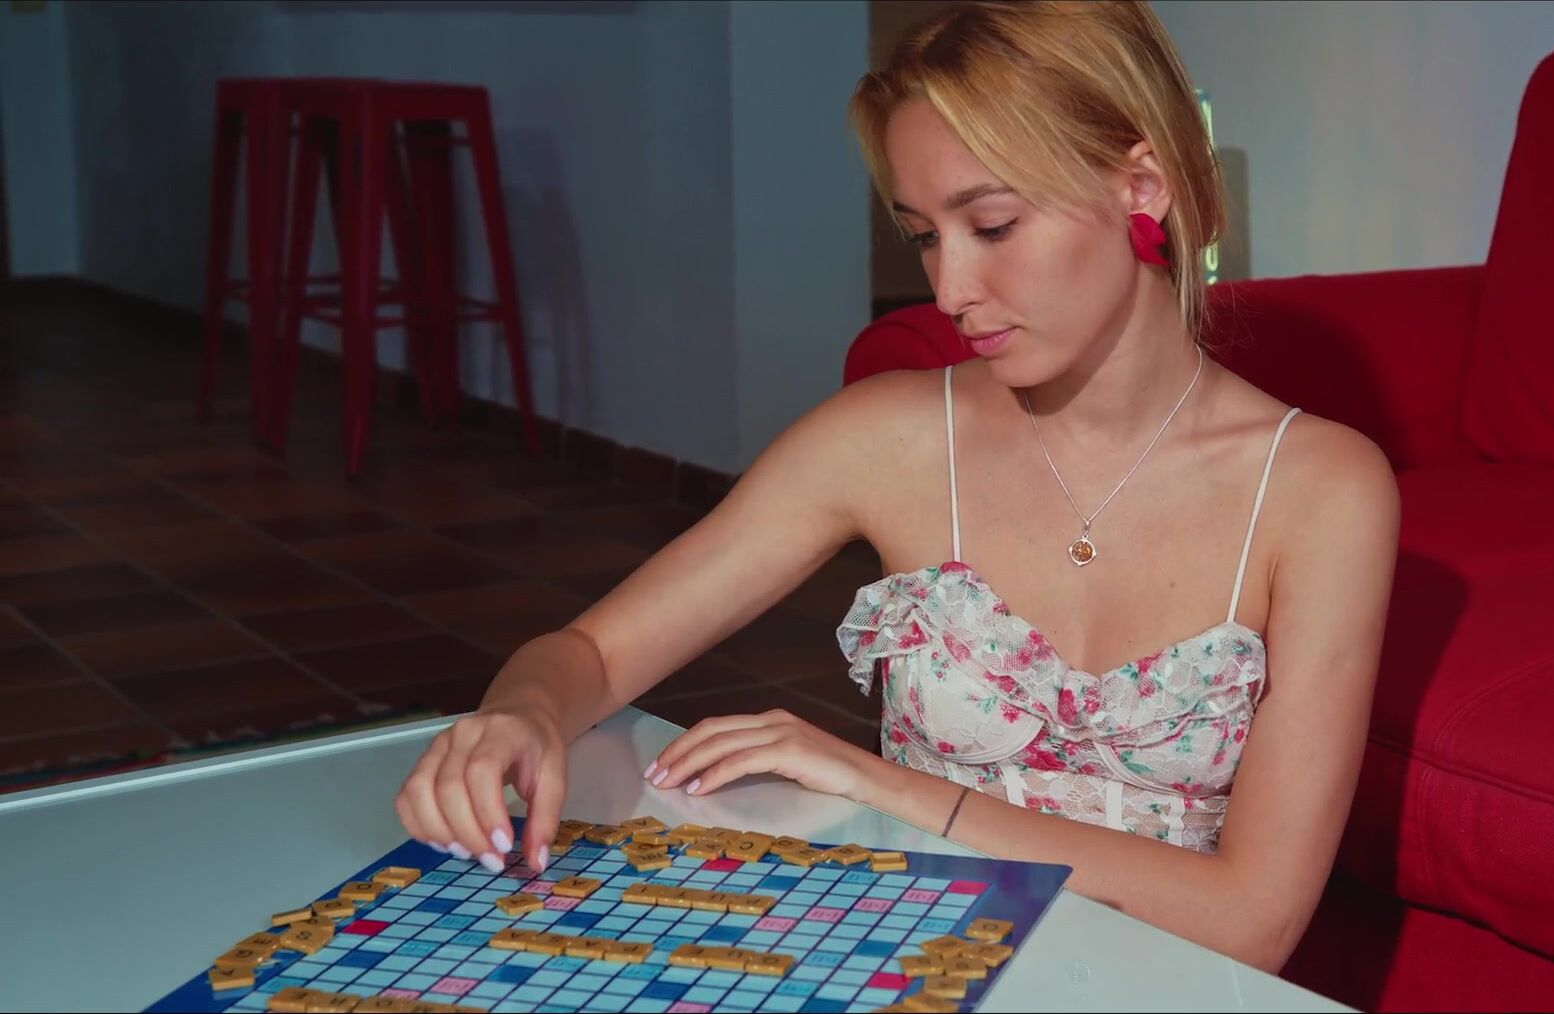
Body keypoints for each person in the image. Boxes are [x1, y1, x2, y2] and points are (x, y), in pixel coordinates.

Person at [394, 0, 1399, 974]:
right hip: (913, 971)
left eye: (991, 226)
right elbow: (591, 652)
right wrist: (521, 712)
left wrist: (881, 785)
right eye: (924, 236)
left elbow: (1253, 924)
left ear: (1141, 186)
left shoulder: (1321, 492)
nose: (949, 290)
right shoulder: (886, 440)